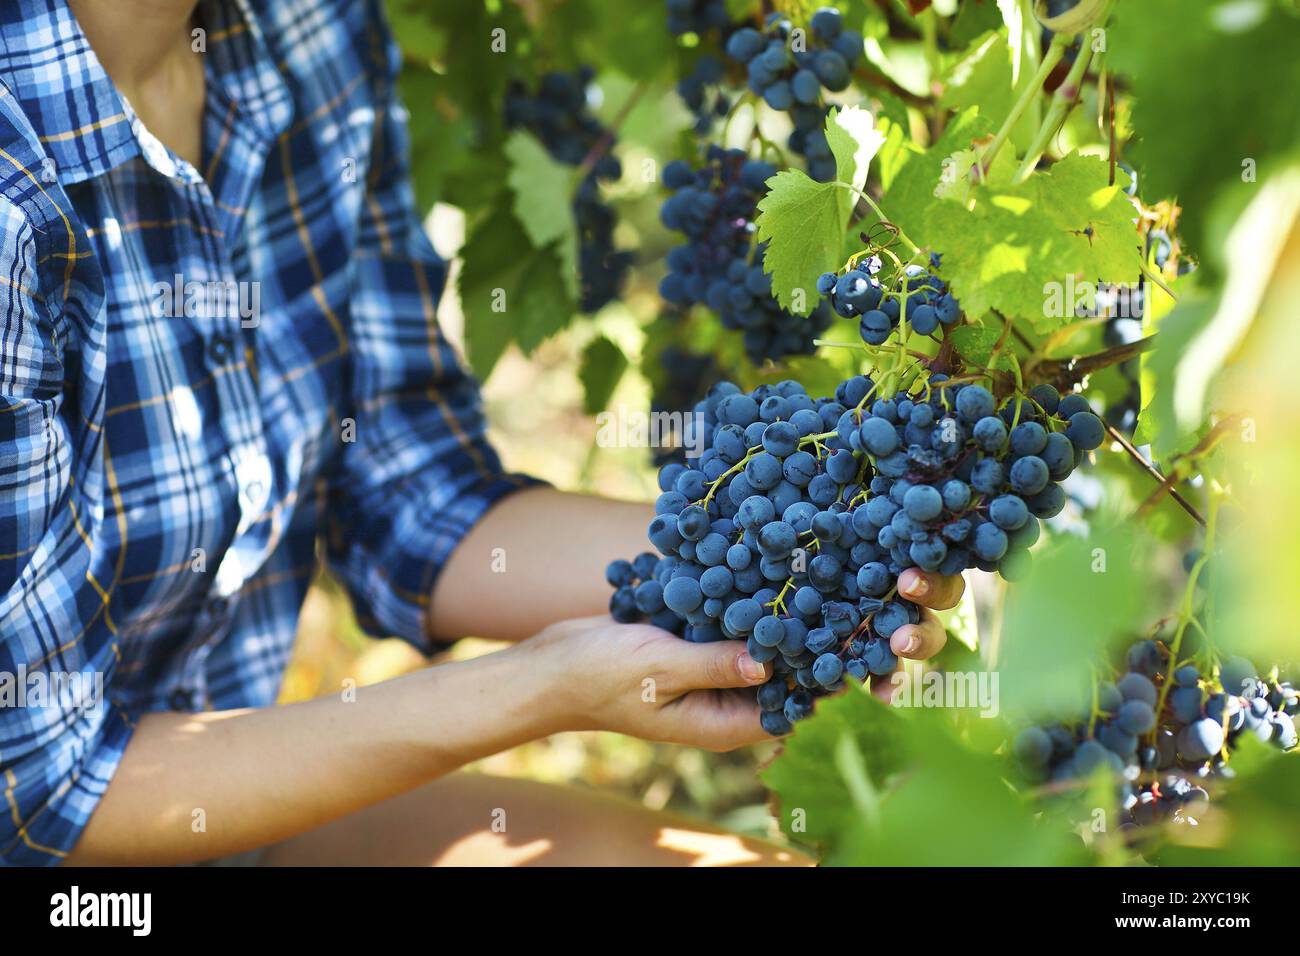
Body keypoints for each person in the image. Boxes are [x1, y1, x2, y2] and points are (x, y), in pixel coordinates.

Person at [0, 0, 962, 867]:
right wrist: (544, 688)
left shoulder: (307, 30)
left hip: (251, 819)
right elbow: (42, 800)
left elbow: (408, 492)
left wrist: (795, 551)